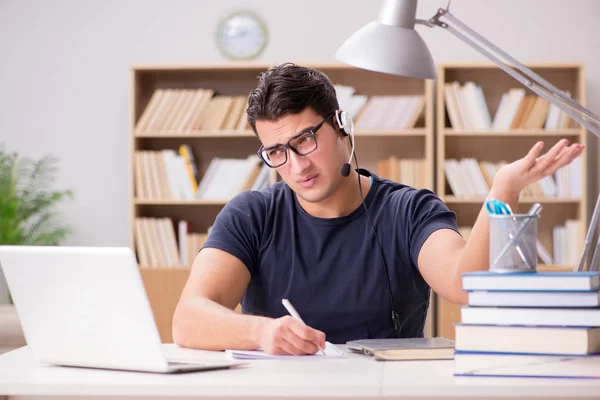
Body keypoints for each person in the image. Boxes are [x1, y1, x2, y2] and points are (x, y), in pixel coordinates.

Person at [172, 63, 585, 355]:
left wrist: (503, 190)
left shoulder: (409, 210)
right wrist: (261, 332)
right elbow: (187, 319)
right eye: (277, 152)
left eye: (304, 141)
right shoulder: (251, 215)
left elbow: (464, 285)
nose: (296, 166)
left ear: (341, 126)